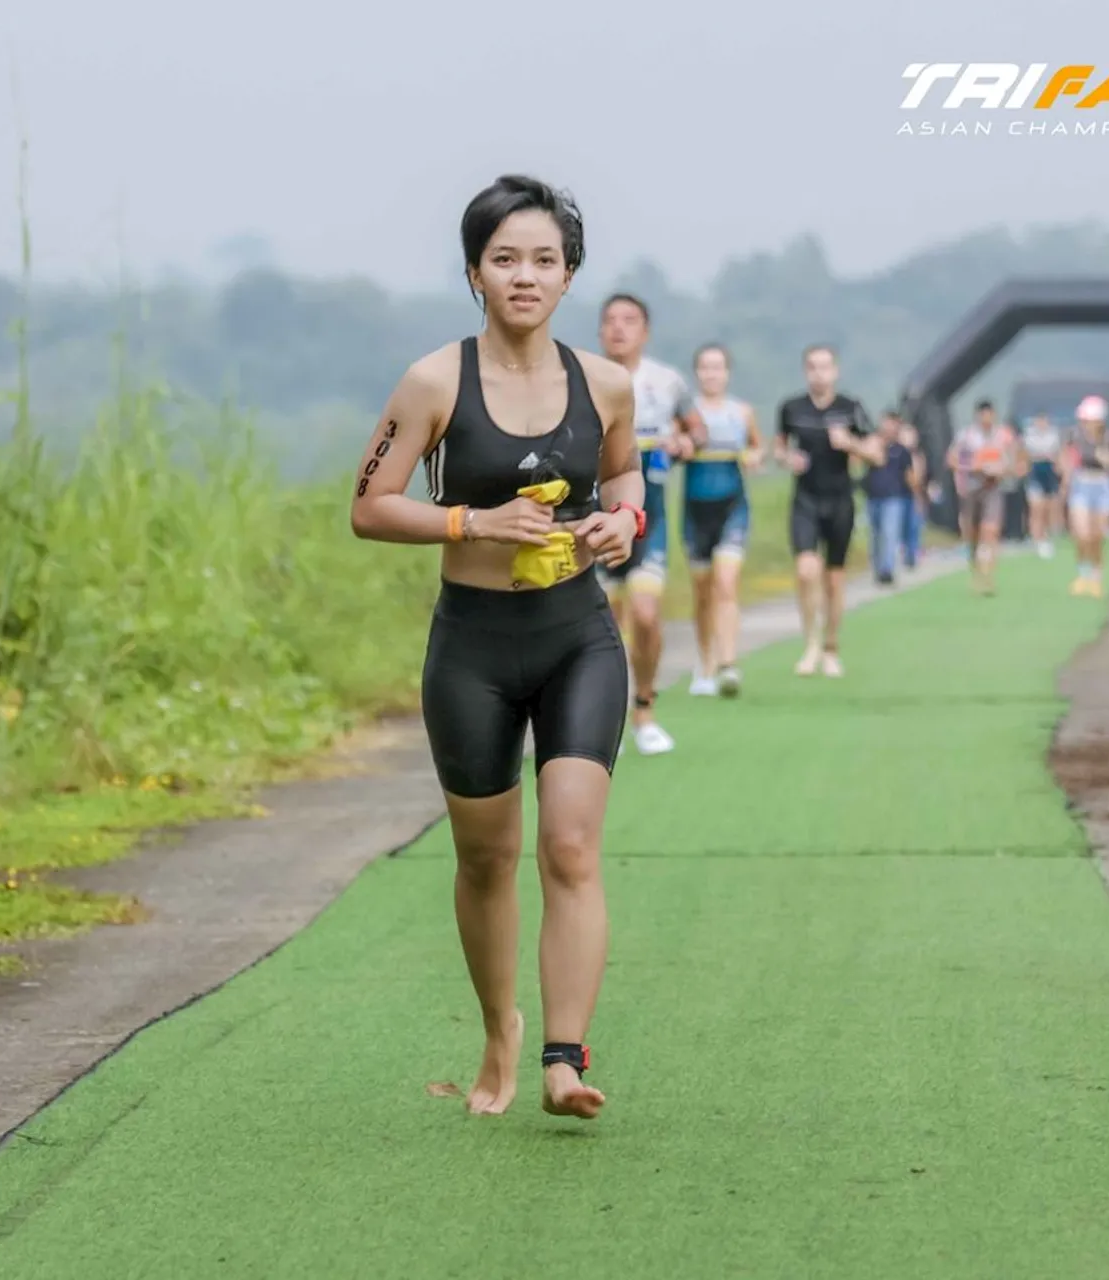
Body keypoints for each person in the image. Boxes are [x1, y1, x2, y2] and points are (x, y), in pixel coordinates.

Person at [348, 174, 644, 1122]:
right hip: (472, 648)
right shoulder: (435, 382)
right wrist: (471, 522)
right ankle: (499, 1032)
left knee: (569, 844)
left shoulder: (607, 384)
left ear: (570, 276)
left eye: (545, 261)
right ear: (475, 272)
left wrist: (623, 522)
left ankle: (565, 1057)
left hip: (577, 640)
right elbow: (369, 506)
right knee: (485, 859)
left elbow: (624, 473)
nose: (526, 276)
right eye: (505, 259)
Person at [596, 294, 701, 755]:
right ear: (601, 331)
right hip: (593, 519)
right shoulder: (582, 376)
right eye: (610, 321)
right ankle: (605, 720)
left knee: (645, 614)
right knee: (602, 627)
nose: (619, 328)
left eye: (629, 320)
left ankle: (645, 709)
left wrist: (684, 442)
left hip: (647, 516)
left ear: (645, 331)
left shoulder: (667, 382)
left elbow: (696, 431)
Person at [775, 345, 884, 677]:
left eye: (824, 367)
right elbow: (778, 446)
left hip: (840, 500)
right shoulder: (792, 408)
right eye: (812, 367)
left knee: (834, 579)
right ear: (805, 371)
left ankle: (831, 646)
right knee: (806, 570)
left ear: (835, 371)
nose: (818, 373)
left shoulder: (850, 409)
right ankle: (810, 643)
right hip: (805, 499)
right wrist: (786, 459)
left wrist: (850, 444)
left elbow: (877, 454)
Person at [681, 343, 762, 698]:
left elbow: (759, 446)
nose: (712, 374)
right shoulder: (687, 413)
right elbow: (674, 449)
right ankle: (706, 662)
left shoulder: (742, 412)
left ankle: (729, 664)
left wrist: (754, 456)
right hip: (695, 510)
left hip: (733, 506)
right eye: (705, 368)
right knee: (702, 593)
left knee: (726, 584)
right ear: (697, 373)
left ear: (727, 373)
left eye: (718, 367)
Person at [947, 399, 1015, 595]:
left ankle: (988, 576)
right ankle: (976, 572)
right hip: (971, 489)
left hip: (993, 488)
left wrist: (1001, 469)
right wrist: (973, 466)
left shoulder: (1003, 436)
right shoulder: (967, 436)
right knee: (973, 534)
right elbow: (952, 459)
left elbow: (1013, 461)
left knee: (991, 531)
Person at [1062, 395, 1109, 597]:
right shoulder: (1074, 436)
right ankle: (1082, 574)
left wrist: (1107, 459)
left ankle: (1096, 576)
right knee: (1081, 534)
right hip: (1081, 483)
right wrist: (1065, 478)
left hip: (1103, 484)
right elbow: (1066, 458)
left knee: (1097, 535)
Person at [861, 409, 914, 586]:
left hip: (894, 497)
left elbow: (909, 475)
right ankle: (877, 568)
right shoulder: (872, 444)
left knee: (889, 532)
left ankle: (887, 570)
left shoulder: (902, 451)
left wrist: (915, 494)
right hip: (873, 495)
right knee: (876, 535)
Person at [1021, 412, 1064, 559]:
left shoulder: (1053, 435)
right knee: (1036, 507)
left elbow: (1058, 454)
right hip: (1035, 472)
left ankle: (1047, 536)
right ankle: (1037, 539)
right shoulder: (1029, 435)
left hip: (1049, 472)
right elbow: (1025, 455)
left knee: (1048, 507)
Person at [898, 420, 928, 570]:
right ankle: (904, 553)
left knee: (914, 525)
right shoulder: (896, 453)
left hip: (914, 495)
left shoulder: (918, 455)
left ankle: (912, 554)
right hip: (898, 495)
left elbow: (920, 477)